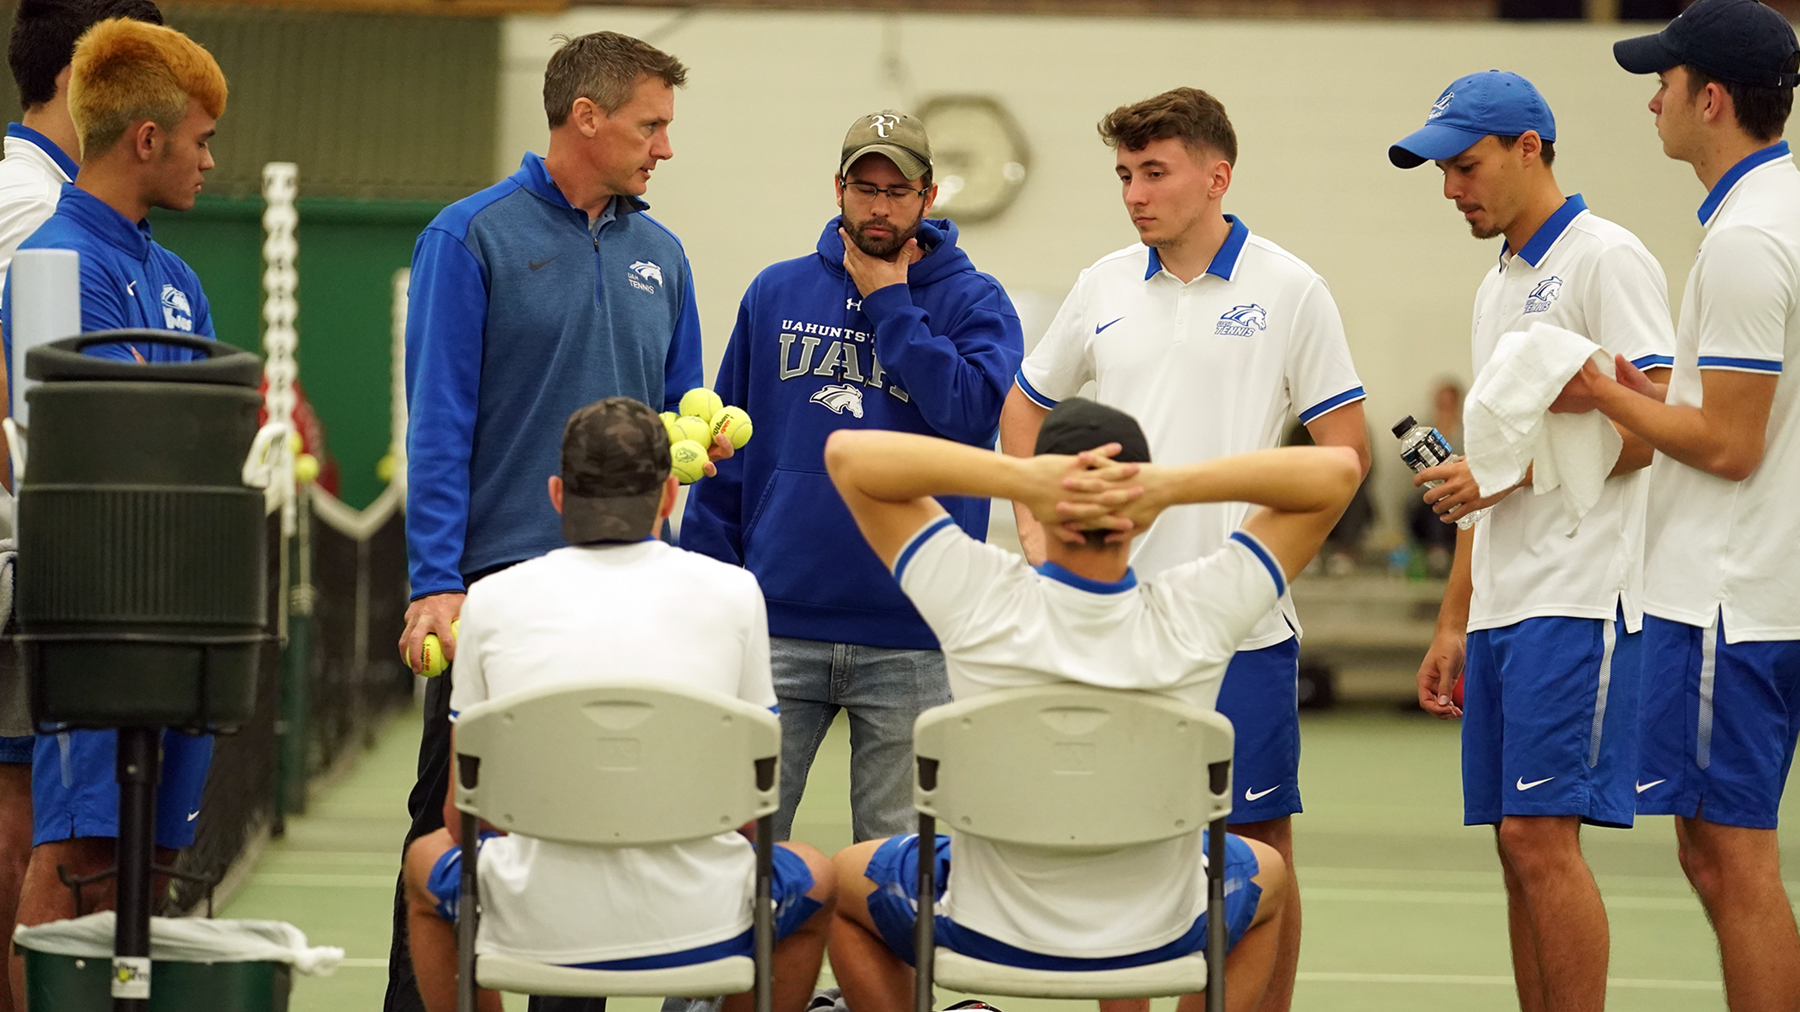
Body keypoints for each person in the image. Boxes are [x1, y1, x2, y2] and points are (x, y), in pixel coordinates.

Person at [995, 87, 1369, 1012]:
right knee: (1123, 853)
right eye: (1125, 174)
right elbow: (1023, 410)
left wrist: (1267, 566)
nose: (1134, 194)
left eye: (1153, 173)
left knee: (1255, 858)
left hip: (1239, 629)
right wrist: (1039, 536)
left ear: (1217, 176)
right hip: (1113, 624)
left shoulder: (1292, 288)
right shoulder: (1102, 284)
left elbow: (1345, 457)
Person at [388, 31, 728, 1012]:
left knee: (591, 833)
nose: (665, 147)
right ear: (587, 117)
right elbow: (438, 423)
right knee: (453, 831)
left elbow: (682, 412)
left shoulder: (664, 254)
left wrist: (698, 445)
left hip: (631, 595)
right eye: (650, 125)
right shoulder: (468, 237)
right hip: (493, 594)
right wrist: (434, 582)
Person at [821, 398, 1361, 1012]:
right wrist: (1168, 487)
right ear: (1141, 516)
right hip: (1161, 931)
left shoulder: (980, 601)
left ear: (1042, 503)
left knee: (843, 878)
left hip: (982, 927)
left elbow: (848, 454)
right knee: (1266, 873)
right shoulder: (1196, 614)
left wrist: (1020, 477)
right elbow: (1339, 469)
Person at [1389, 69, 1674, 1012]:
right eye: (1440, 172)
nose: (1450, 189)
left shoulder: (1607, 259)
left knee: (1538, 840)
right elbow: (1490, 466)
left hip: (1579, 596)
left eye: (1465, 166)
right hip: (1505, 604)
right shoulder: (1495, 286)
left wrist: (1505, 473)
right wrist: (1454, 617)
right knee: (1516, 849)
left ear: (1529, 148)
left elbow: (1656, 432)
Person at [401, 398, 834, 1012]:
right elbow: (751, 809)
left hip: (531, 919)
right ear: (668, 495)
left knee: (426, 860)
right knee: (815, 875)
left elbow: (462, 817)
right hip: (701, 918)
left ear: (556, 495)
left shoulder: (490, 602)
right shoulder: (737, 595)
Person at [680, 110, 1022, 844]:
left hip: (914, 634)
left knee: (894, 874)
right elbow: (727, 453)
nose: (880, 207)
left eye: (898, 191)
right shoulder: (775, 292)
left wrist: (891, 304)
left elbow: (971, 418)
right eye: (865, 188)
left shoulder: (975, 302)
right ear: (838, 189)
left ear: (928, 197)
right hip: (776, 625)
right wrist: (709, 592)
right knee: (736, 849)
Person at [1554, 3, 1800, 1006]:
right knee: (1722, 855)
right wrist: (1648, 396)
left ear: (1712, 99)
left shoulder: (1747, 240)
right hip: (1762, 585)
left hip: (1728, 595)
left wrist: (1601, 393)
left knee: (1731, 861)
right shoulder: (1779, 215)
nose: (1650, 100)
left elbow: (1733, 447)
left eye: (1664, 81)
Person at [0, 15, 222, 1008]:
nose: (210, 161)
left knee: (156, 868)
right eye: (202, 140)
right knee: (76, 862)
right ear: (147, 137)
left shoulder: (177, 279)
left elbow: (210, 433)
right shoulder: (54, 261)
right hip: (97, 613)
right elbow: (84, 445)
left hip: (188, 614)